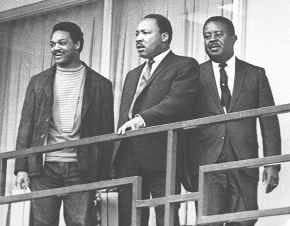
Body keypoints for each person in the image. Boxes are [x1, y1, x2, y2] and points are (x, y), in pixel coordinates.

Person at [14, 22, 114, 226]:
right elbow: (26, 125)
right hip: (43, 168)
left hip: (82, 168)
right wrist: (21, 167)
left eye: (62, 43)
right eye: (52, 44)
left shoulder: (100, 85)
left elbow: (106, 132)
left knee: (81, 223)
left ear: (77, 44)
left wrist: (104, 177)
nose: (55, 48)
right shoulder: (38, 82)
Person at [191, 16, 281, 226]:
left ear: (233, 38)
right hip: (208, 163)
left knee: (243, 221)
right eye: (207, 36)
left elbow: (269, 120)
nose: (212, 40)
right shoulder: (194, 75)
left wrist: (272, 164)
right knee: (208, 222)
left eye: (218, 34)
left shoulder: (255, 74)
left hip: (244, 161)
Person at [112, 14, 200, 226]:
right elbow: (124, 117)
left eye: (145, 32)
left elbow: (177, 103)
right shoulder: (132, 75)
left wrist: (142, 119)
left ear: (164, 36)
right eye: (136, 34)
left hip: (164, 157)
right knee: (129, 219)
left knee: (166, 216)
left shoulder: (184, 65)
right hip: (128, 158)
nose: (138, 38)